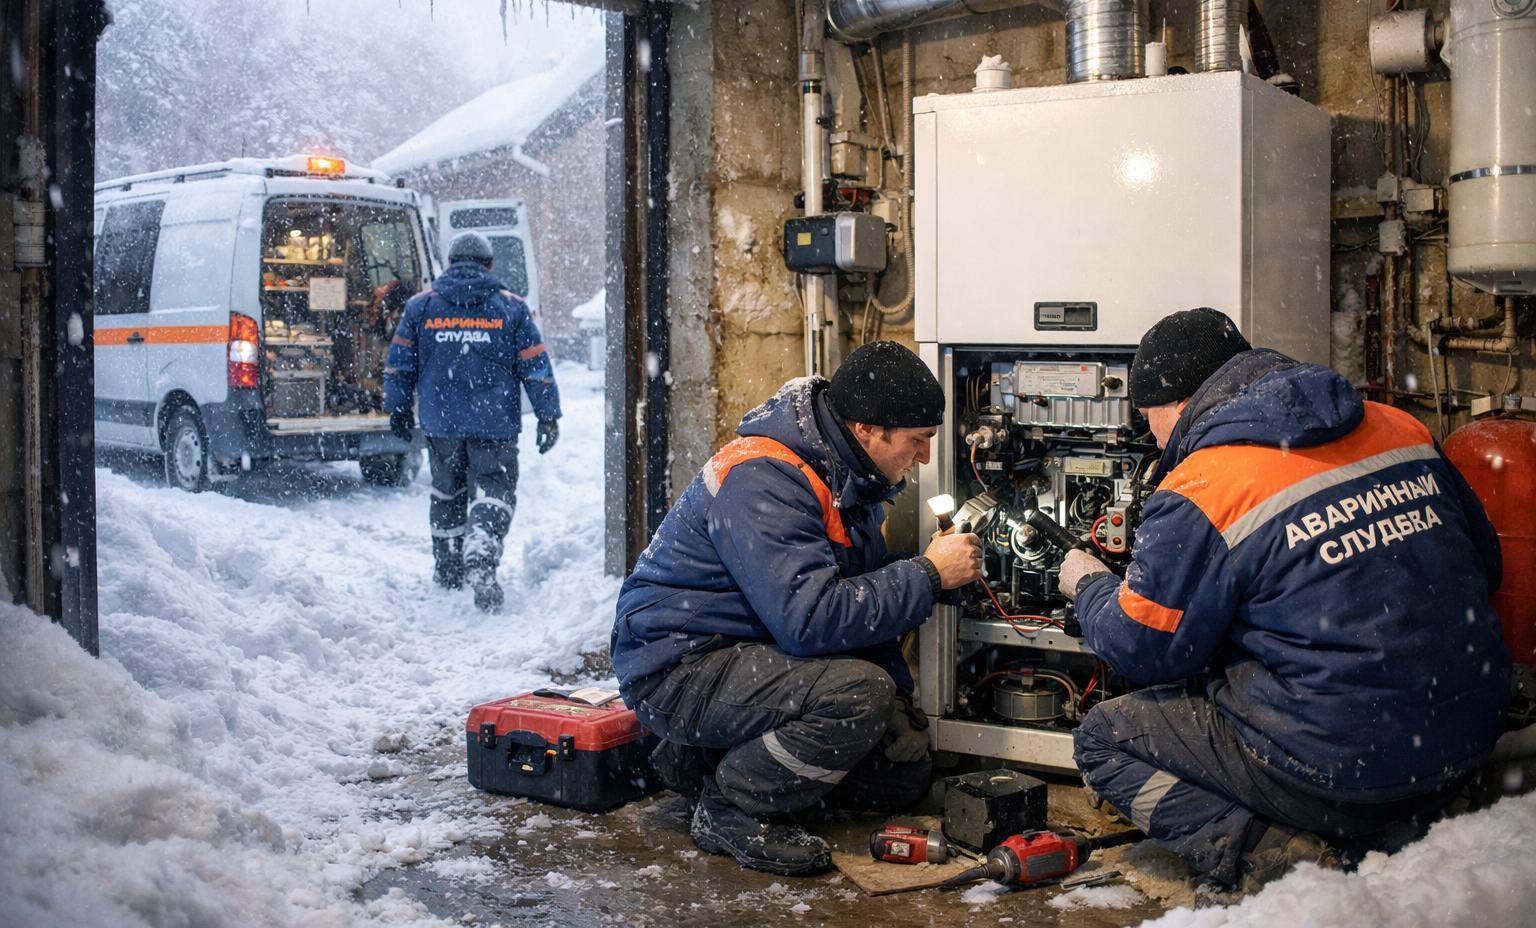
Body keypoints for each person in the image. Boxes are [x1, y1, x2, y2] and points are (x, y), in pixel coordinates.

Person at [1061, 308, 1511, 895]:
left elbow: (1143, 650)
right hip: (1467, 738)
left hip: (1345, 773)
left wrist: (1089, 584)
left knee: (1103, 740)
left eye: (1148, 419)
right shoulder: (1401, 426)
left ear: (1179, 402)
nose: (1151, 437)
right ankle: (1416, 798)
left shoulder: (1206, 484)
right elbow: (1489, 567)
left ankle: (1268, 854)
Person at [610, 341, 982, 876]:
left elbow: (849, 587)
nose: (924, 457)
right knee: (860, 698)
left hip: (746, 651)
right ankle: (732, 804)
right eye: (917, 442)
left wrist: (937, 580)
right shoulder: (765, 478)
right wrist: (926, 575)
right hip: (677, 667)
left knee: (898, 776)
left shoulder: (842, 473)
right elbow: (811, 620)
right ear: (867, 431)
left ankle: (698, 759)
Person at [383, 231, 561, 613]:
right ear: (490, 264)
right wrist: (547, 415)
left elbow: (399, 364)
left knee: (447, 491)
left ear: (450, 263)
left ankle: (448, 569)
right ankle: (482, 546)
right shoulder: (511, 308)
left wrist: (397, 410)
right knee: (495, 489)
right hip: (494, 422)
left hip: (441, 423)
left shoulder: (420, 307)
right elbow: (536, 366)